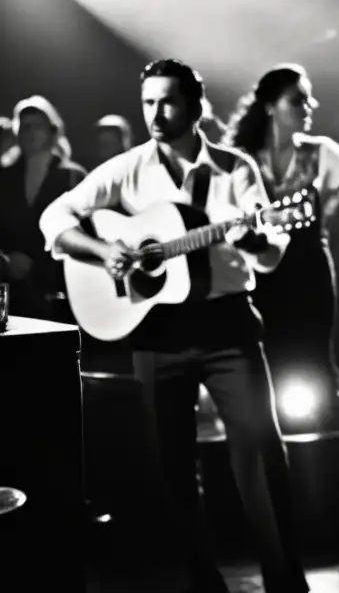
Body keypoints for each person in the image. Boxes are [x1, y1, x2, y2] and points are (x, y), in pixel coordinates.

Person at [38, 59, 309, 593]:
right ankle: (203, 583)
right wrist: (104, 250)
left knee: (260, 458)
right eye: (148, 102)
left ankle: (285, 583)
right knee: (171, 471)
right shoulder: (127, 168)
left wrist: (253, 236)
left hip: (228, 328)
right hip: (156, 331)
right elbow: (56, 218)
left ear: (195, 107)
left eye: (167, 102)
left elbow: (271, 253)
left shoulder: (235, 170)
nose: (155, 114)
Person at [223, 63, 339, 431]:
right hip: (256, 275)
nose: (309, 107)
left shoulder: (319, 151)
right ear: (269, 105)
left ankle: (323, 452)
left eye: (309, 100)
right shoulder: (238, 160)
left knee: (312, 355)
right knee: (266, 354)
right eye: (297, 100)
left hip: (309, 270)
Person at [0, 96, 86, 320]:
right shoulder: (4, 176)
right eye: (24, 126)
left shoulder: (73, 176)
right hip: (12, 295)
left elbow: (86, 234)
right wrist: (5, 261)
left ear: (52, 130)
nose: (29, 132)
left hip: (58, 293)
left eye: (36, 126)